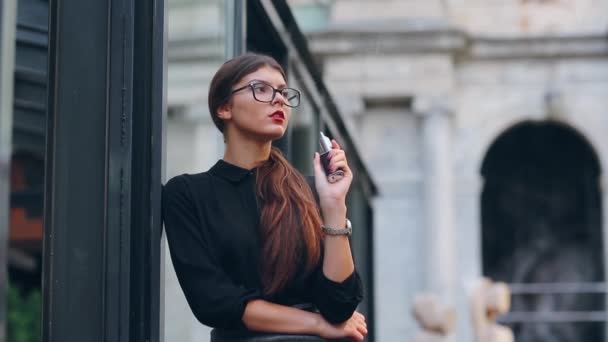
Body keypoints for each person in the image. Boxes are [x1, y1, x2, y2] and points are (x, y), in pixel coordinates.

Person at [162, 53, 367, 342]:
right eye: (261, 89)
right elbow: (213, 302)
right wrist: (316, 323)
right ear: (224, 107)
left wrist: (334, 205)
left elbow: (340, 304)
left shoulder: (311, 192)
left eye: (283, 92)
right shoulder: (187, 194)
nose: (279, 99)